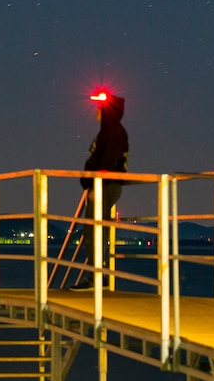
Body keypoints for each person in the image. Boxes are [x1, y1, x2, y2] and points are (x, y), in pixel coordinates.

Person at [70, 92, 129, 291]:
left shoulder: (114, 133)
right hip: (103, 187)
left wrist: (96, 185)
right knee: (95, 231)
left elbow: (108, 163)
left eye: (99, 107)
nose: (96, 110)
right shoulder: (109, 132)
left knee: (93, 231)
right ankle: (96, 275)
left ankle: (96, 278)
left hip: (104, 187)